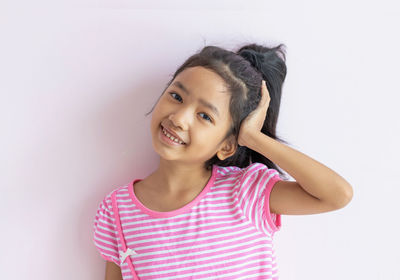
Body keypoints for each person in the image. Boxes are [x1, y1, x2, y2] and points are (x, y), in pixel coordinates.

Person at [92, 43, 353, 280]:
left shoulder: (245, 192)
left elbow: (336, 195)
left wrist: (254, 138)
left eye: (204, 116)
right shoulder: (117, 210)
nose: (179, 118)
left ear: (227, 145)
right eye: (176, 96)